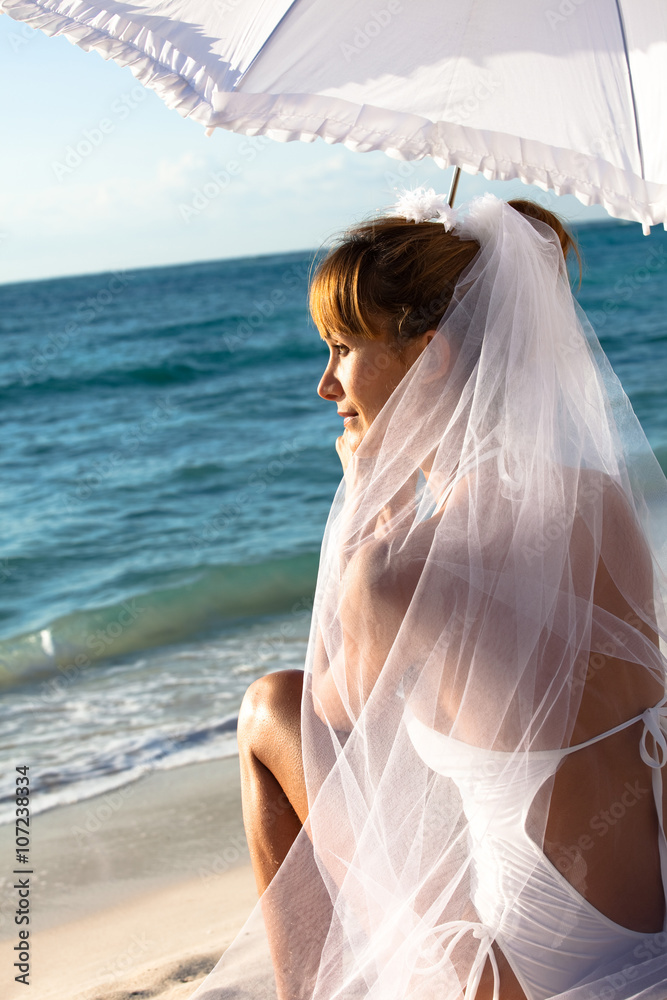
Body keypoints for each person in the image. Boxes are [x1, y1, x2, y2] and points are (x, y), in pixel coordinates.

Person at [191, 191, 667, 1000]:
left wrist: (362, 524)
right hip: (645, 918)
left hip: (522, 972)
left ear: (432, 359)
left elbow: (339, 747)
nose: (324, 385)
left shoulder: (387, 574)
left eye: (342, 349)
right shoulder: (596, 498)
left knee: (270, 709)